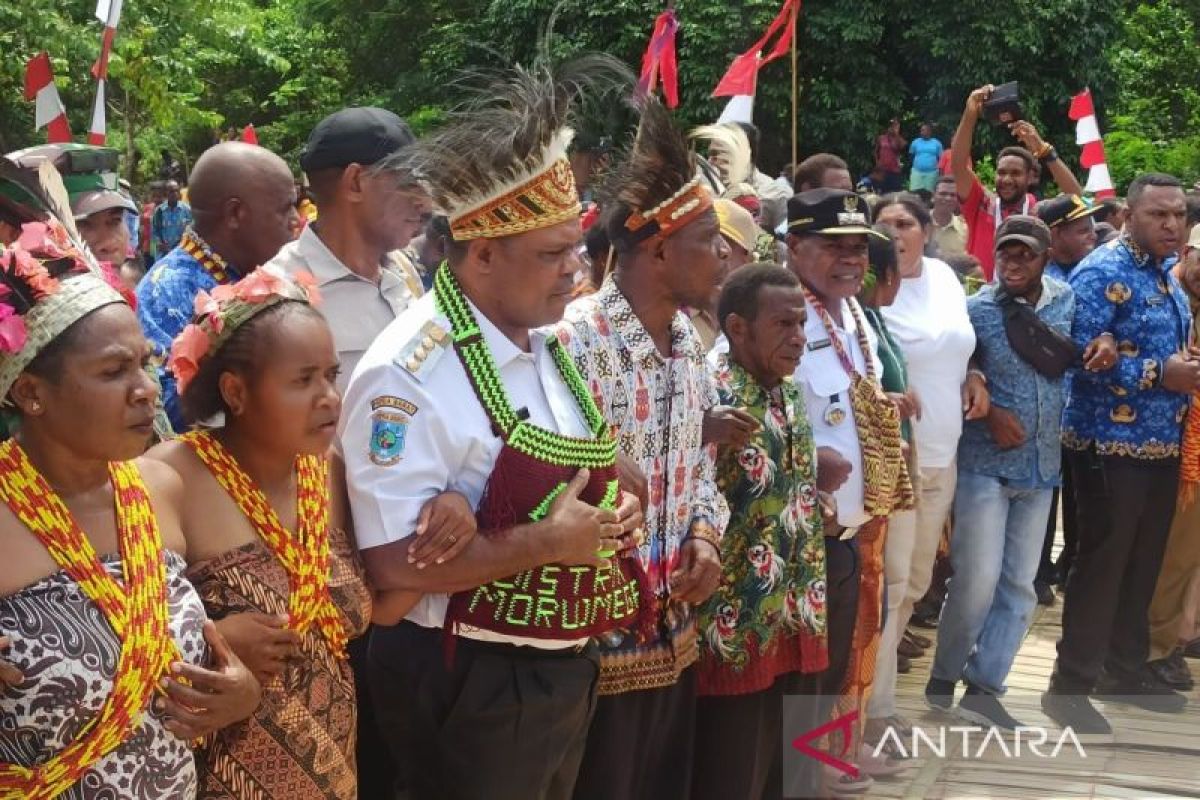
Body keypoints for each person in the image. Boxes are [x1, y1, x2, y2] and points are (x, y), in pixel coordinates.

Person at [341, 59, 644, 800]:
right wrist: (550, 542)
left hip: (554, 669)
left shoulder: (542, 340)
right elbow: (393, 568)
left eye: (576, 248)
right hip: (467, 682)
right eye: (551, 255)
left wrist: (612, 516)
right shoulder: (405, 376)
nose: (576, 271)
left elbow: (577, 479)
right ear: (481, 254)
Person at [0, 220, 261, 799]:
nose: (146, 388)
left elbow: (153, 646)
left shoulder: (158, 488)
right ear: (30, 393)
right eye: (114, 371)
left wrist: (239, 693)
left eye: (145, 363)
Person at [557, 95, 728, 800]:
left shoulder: (693, 344)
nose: (725, 255)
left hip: (674, 636)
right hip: (590, 646)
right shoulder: (572, 343)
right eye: (709, 240)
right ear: (659, 248)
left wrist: (707, 537)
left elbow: (699, 476)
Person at [927, 216, 1098, 727]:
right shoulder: (977, 309)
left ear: (1045, 256)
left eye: (1025, 254)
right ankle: (944, 672)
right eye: (1006, 253)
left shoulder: (1067, 301)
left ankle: (985, 686)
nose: (1013, 262)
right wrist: (992, 406)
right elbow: (959, 368)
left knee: (1020, 585)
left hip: (1043, 468)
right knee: (976, 578)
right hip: (986, 465)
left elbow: (1083, 348)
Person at [1044, 173, 1196, 734]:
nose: (1172, 224)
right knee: (1102, 564)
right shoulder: (1103, 271)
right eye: (1159, 214)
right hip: (1107, 444)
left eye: (1178, 214)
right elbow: (1081, 359)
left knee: (1142, 563)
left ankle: (1125, 669)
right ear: (1129, 215)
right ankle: (1070, 684)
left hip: (1160, 443)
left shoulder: (1164, 275)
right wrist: (1163, 373)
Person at [784, 189, 914, 792]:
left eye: (859, 248)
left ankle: (841, 751)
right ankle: (810, 765)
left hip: (862, 517)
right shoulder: (780, 310)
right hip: (807, 525)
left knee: (853, 648)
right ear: (794, 247)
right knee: (814, 659)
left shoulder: (852, 312)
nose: (850, 259)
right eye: (833, 247)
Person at [691, 264, 830, 799]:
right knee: (733, 770)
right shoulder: (711, 392)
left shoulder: (790, 391)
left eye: (802, 324)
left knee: (792, 771)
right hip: (739, 627)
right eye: (783, 325)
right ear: (738, 328)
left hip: (799, 611)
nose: (798, 337)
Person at [875, 193, 986, 678]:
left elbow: (960, 341)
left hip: (946, 446)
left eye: (905, 223)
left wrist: (975, 374)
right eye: (885, 224)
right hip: (897, 453)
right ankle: (873, 708)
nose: (896, 233)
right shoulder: (867, 293)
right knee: (891, 583)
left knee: (918, 581)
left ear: (926, 231)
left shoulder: (944, 278)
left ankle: (876, 698)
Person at [137, 142, 299, 432]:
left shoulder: (268, 271)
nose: (297, 221)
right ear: (235, 214)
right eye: (285, 209)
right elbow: (171, 412)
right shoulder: (167, 291)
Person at [268, 107, 428, 393]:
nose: (422, 201)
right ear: (355, 182)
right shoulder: (277, 297)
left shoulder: (403, 271)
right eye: (408, 181)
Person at [859, 224, 921, 745]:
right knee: (878, 594)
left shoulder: (869, 318)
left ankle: (877, 706)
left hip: (891, 470)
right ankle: (867, 716)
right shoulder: (856, 319)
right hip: (869, 480)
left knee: (896, 588)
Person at [1032, 193, 1103, 604]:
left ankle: (1067, 564)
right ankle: (1038, 572)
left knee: (1076, 495)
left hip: (1081, 408)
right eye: (1082, 230)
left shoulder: (1086, 271)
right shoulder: (1041, 277)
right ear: (1054, 234)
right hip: (1048, 404)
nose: (1092, 236)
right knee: (1047, 491)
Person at [951, 84, 1084, 279]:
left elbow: (1076, 197)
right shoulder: (981, 204)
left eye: (1015, 173)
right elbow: (958, 164)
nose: (1006, 179)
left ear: (1032, 177)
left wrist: (1044, 150)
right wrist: (970, 113)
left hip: (1024, 301)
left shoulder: (1038, 211)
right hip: (981, 301)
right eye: (1001, 172)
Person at [1146, 222, 1200, 691]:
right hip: (1158, 449)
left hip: (1187, 452)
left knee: (1184, 558)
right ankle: (1153, 649)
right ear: (1187, 254)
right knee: (1166, 556)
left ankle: (1171, 643)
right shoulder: (1164, 297)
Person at [688, 198, 758, 352]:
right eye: (705, 240)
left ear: (747, 260)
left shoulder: (756, 321)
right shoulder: (671, 316)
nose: (714, 252)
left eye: (725, 243)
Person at [151, 180, 193, 256]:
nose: (174, 194)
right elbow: (154, 232)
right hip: (165, 255)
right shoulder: (159, 211)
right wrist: (160, 244)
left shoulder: (187, 210)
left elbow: (193, 230)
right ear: (166, 193)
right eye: (171, 191)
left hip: (183, 253)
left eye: (176, 190)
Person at [930, 175, 968, 259]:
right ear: (933, 196)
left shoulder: (965, 230)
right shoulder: (920, 224)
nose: (948, 198)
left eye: (952, 195)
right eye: (943, 194)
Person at [909, 123, 944, 194]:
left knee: (929, 194)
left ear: (929, 131)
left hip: (932, 173)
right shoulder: (915, 142)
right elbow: (911, 155)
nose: (921, 132)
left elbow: (941, 158)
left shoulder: (937, 143)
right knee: (914, 193)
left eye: (923, 130)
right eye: (921, 130)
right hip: (917, 172)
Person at [875, 119, 907, 193]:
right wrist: (877, 162)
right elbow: (876, 151)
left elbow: (903, 147)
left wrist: (896, 134)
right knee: (882, 192)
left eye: (895, 126)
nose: (892, 128)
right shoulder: (881, 138)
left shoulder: (899, 139)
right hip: (883, 171)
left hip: (894, 171)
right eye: (891, 126)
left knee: (895, 193)